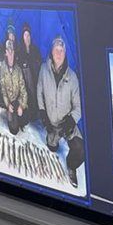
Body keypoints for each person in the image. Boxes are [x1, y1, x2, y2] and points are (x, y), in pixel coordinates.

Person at [37, 36, 84, 187]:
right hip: (51, 123)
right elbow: (39, 93)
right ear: (51, 51)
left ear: (65, 53)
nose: (59, 53)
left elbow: (79, 107)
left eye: (62, 50)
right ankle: (52, 139)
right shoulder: (43, 69)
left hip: (67, 124)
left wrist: (70, 122)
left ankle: (71, 166)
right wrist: (43, 115)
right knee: (52, 148)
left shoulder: (73, 76)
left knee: (80, 150)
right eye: (56, 49)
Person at [0, 38, 28, 135]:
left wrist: (21, 105)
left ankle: (17, 117)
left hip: (16, 100)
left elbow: (23, 90)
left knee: (25, 118)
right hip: (8, 101)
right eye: (8, 51)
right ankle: (10, 115)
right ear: (6, 53)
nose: (10, 54)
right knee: (13, 128)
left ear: (14, 52)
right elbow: (2, 89)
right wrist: (7, 104)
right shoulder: (2, 68)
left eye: (12, 51)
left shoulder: (18, 69)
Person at [18, 21, 42, 121]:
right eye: (25, 35)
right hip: (26, 86)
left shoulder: (36, 50)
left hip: (36, 84)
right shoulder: (19, 52)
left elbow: (40, 66)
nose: (27, 38)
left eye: (29, 35)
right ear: (22, 37)